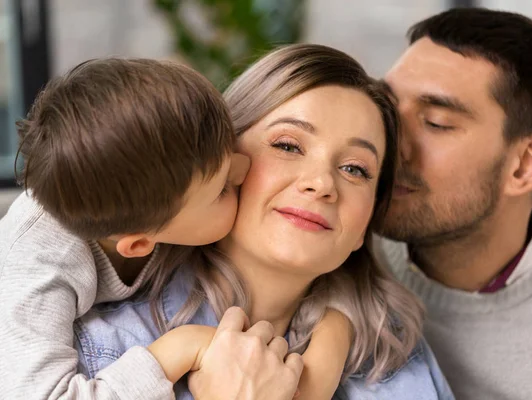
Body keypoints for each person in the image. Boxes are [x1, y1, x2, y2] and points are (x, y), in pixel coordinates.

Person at [72, 43, 455, 400]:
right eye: (288, 145)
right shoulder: (102, 349)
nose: (322, 184)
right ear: (222, 161)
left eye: (355, 169)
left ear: (365, 223)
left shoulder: (393, 355)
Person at [0, 58, 354, 400]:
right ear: (139, 244)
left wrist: (334, 334)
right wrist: (183, 347)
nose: (245, 168)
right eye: (222, 190)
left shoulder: (153, 197)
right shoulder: (37, 266)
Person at [378, 7, 532, 400]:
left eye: (437, 123)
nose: (392, 141)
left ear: (524, 166)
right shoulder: (336, 254)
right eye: (388, 108)